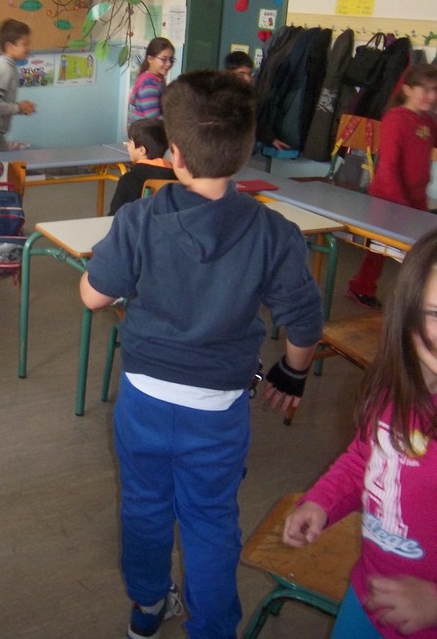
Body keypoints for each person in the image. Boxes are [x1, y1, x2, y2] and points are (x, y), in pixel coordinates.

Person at [79, 70, 323, 639]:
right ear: (243, 151)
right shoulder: (273, 231)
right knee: (211, 520)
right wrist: (292, 374)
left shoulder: (139, 219)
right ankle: (212, 628)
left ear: (175, 154)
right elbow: (305, 322)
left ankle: (147, 607)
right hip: (217, 409)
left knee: (143, 507)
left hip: (144, 399)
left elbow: (93, 296)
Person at [283, 228, 437, 639]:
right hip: (368, 594)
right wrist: (323, 501)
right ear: (407, 315)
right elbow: (366, 460)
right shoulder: (394, 391)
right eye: (436, 313)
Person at [347, 63, 437, 310]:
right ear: (407, 89)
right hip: (389, 198)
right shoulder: (396, 119)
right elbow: (388, 166)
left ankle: (405, 295)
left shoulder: (426, 120)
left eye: (435, 90)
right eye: (425, 90)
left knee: (416, 249)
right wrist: (401, 206)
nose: (431, 96)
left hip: (415, 197)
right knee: (380, 250)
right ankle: (363, 287)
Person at [0, 19, 36, 153]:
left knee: (3, 163)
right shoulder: (3, 68)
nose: (28, 48)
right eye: (24, 44)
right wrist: (18, 108)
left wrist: (19, 107)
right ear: (10, 46)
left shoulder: (6, 65)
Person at [109, 117, 176, 215]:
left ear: (141, 150)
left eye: (130, 142)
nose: (127, 145)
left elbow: (115, 216)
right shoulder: (177, 177)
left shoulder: (129, 180)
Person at [128, 37, 175, 124]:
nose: (169, 64)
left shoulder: (158, 79)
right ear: (150, 59)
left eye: (171, 59)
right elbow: (153, 118)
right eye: (164, 59)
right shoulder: (149, 84)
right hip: (145, 130)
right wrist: (176, 124)